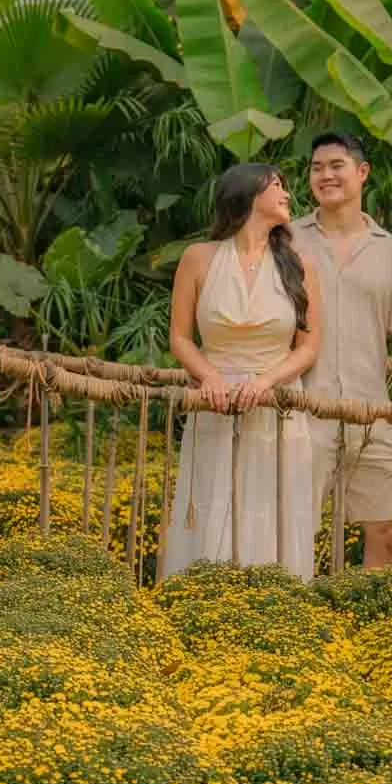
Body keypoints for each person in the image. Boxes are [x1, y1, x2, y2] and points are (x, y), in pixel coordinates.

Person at [160, 162, 322, 580]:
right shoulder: (199, 258)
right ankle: (204, 601)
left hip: (277, 405)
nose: (287, 193)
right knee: (214, 502)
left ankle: (272, 607)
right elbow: (180, 337)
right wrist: (209, 377)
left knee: (272, 507)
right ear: (248, 194)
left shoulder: (299, 266)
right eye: (277, 186)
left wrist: (266, 381)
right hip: (214, 404)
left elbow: (307, 349)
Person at [291, 132, 392, 569]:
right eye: (316, 168)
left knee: (388, 533)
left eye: (336, 165)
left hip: (375, 412)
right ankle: (297, 624)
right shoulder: (285, 240)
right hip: (300, 408)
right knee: (292, 528)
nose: (325, 175)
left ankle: (377, 630)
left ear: (362, 172)